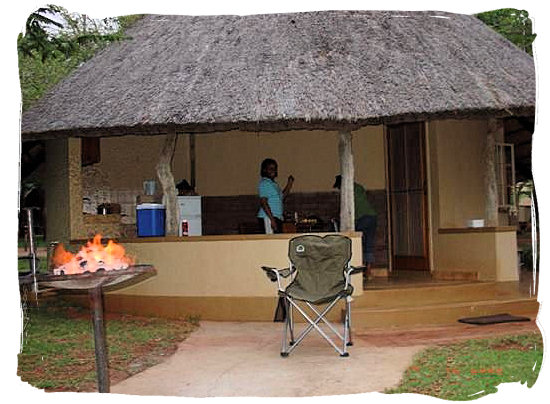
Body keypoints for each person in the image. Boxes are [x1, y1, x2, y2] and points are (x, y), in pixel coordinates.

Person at [333, 175, 377, 273]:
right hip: (372, 216)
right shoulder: (359, 187)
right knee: (368, 242)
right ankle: (368, 269)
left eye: (339, 187)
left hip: (361, 218)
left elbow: (347, 209)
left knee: (354, 241)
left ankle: (355, 266)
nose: (339, 190)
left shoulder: (347, 191)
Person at [257, 158, 294, 234]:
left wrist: (289, 184)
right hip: (268, 218)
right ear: (264, 170)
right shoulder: (264, 183)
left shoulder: (273, 184)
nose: (273, 171)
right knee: (270, 242)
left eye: (274, 168)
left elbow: (282, 197)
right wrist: (272, 220)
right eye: (270, 168)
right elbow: (264, 203)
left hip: (277, 217)